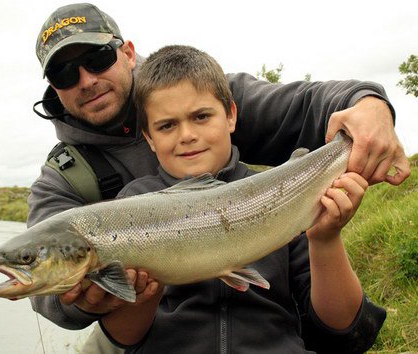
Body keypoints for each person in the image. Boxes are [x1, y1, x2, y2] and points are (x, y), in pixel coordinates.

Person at [27, 2, 408, 349]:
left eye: (96, 58)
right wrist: (84, 296)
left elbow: (308, 105)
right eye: (63, 73)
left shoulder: (198, 86)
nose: (86, 79)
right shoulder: (65, 176)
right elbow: (45, 294)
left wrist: (368, 104)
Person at [97, 44, 386, 353]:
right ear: (150, 139)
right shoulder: (132, 204)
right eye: (167, 125)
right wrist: (144, 292)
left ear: (231, 115)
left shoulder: (285, 194)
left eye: (201, 116)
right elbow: (124, 337)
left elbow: (342, 327)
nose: (186, 135)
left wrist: (325, 239)